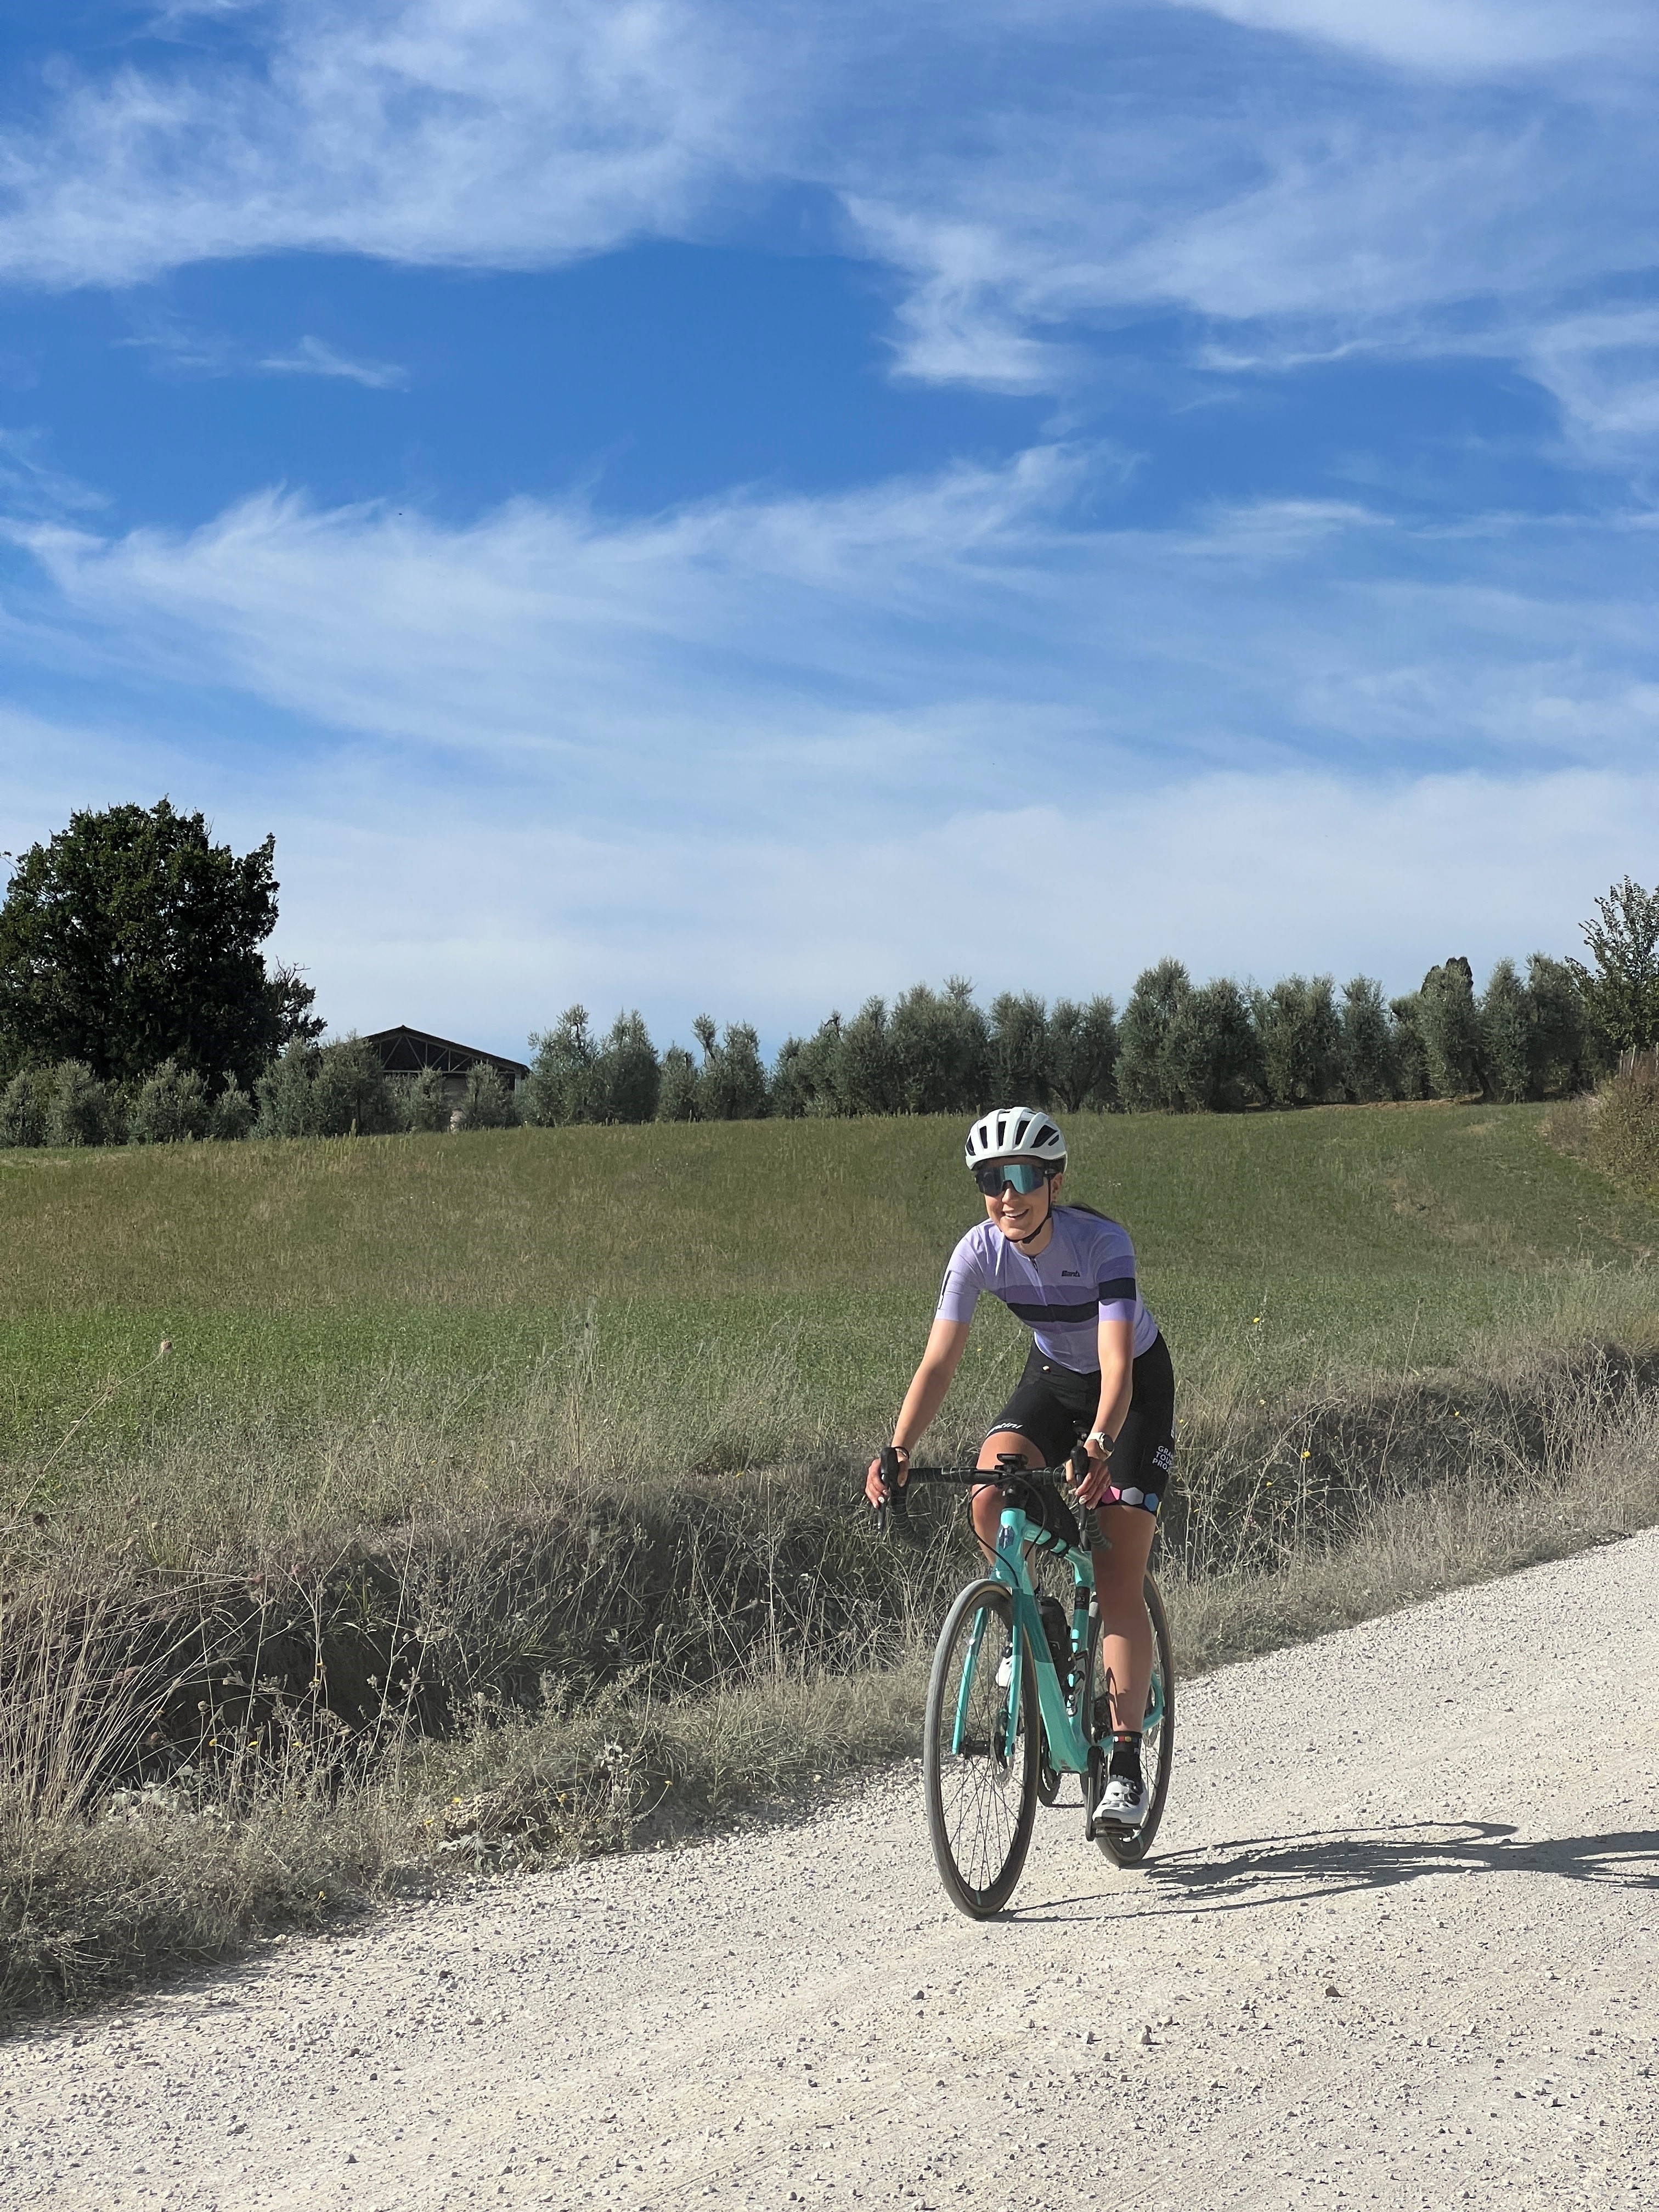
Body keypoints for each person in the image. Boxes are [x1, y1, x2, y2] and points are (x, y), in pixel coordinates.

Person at [864, 1106, 1175, 1825]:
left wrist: (1099, 1443)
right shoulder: (977, 1250)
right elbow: (940, 1360)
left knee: (1116, 1565)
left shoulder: (1102, 1243)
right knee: (989, 1491)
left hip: (1130, 1385)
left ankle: (1124, 1763)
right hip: (1055, 1378)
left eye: (1022, 1178)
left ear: (1053, 1182)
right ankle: (1034, 1618)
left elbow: (1115, 1364)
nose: (1006, 1194)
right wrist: (900, 1447)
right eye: (989, 1180)